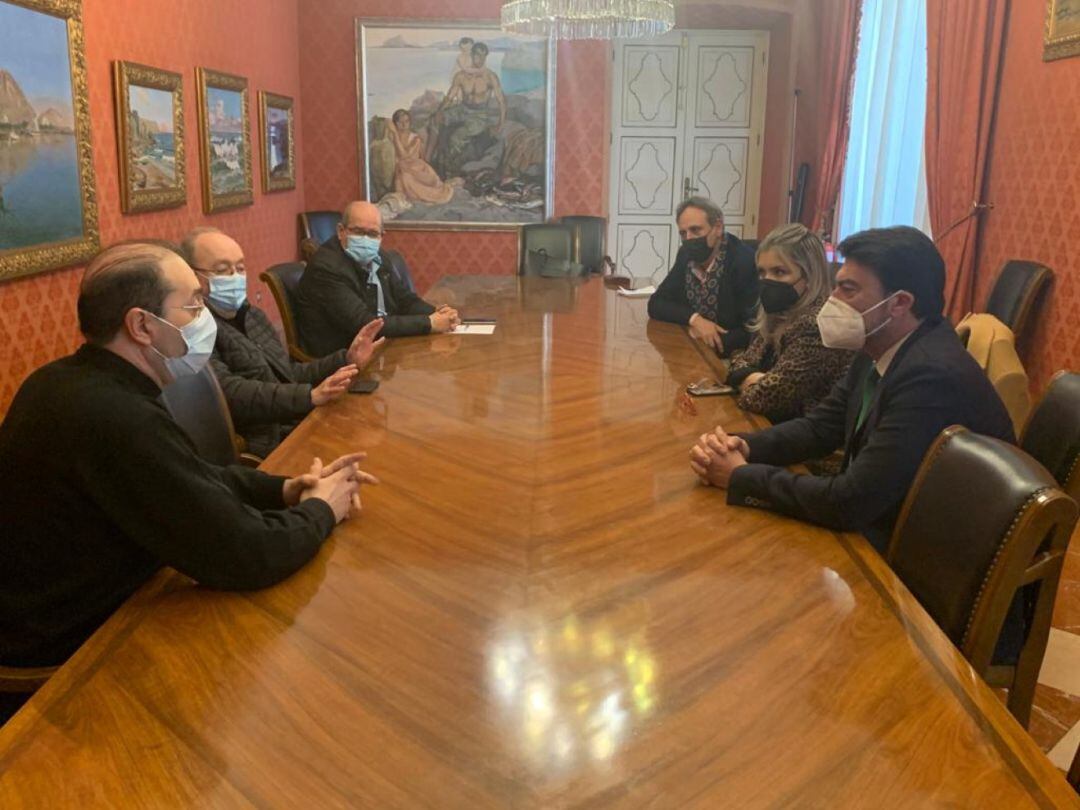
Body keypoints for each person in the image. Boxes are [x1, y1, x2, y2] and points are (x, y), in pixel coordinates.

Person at [0, 242, 376, 706]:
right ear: (141, 325)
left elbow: (191, 473)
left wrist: (284, 488)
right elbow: (246, 554)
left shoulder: (65, 379)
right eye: (193, 304)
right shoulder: (117, 416)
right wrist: (324, 509)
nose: (204, 319)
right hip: (77, 654)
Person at [689, 225, 1015, 552]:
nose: (832, 300)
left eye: (848, 289)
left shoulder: (930, 377)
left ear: (899, 303)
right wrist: (740, 446)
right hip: (885, 519)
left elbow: (849, 501)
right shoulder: (875, 348)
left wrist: (740, 476)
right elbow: (821, 427)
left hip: (925, 554)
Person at [181, 227, 386, 457]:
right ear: (190, 276)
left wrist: (346, 358)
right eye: (222, 270)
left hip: (299, 419)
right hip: (270, 441)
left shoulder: (253, 315)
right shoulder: (195, 330)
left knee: (378, 437)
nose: (235, 277)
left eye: (240, 268)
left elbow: (288, 373)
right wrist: (310, 396)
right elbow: (229, 393)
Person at [725, 223, 853, 423]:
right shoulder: (778, 312)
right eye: (762, 272)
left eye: (779, 272)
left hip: (803, 437)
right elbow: (739, 363)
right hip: (769, 424)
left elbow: (763, 398)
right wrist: (754, 378)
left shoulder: (818, 325)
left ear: (810, 276)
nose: (767, 281)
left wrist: (748, 379)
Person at [295, 201, 459, 354]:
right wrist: (429, 323)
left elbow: (404, 299)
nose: (366, 240)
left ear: (381, 236)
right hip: (342, 357)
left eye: (372, 234)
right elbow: (366, 325)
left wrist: (439, 315)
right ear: (341, 231)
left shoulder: (378, 256)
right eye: (358, 232)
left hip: (381, 345)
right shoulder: (326, 268)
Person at [648, 197, 760, 356]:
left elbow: (753, 330)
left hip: (732, 356)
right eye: (683, 233)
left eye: (696, 230)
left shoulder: (744, 262)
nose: (689, 239)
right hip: (691, 351)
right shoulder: (685, 256)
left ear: (718, 227)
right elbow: (656, 303)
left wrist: (703, 339)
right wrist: (695, 320)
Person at [388, 110, 455, 205]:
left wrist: (395, 135)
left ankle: (430, 195)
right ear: (395, 123)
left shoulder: (415, 138)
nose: (404, 124)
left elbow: (404, 156)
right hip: (404, 169)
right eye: (400, 122)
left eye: (406, 121)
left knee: (430, 183)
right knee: (404, 177)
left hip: (417, 167)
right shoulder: (390, 137)